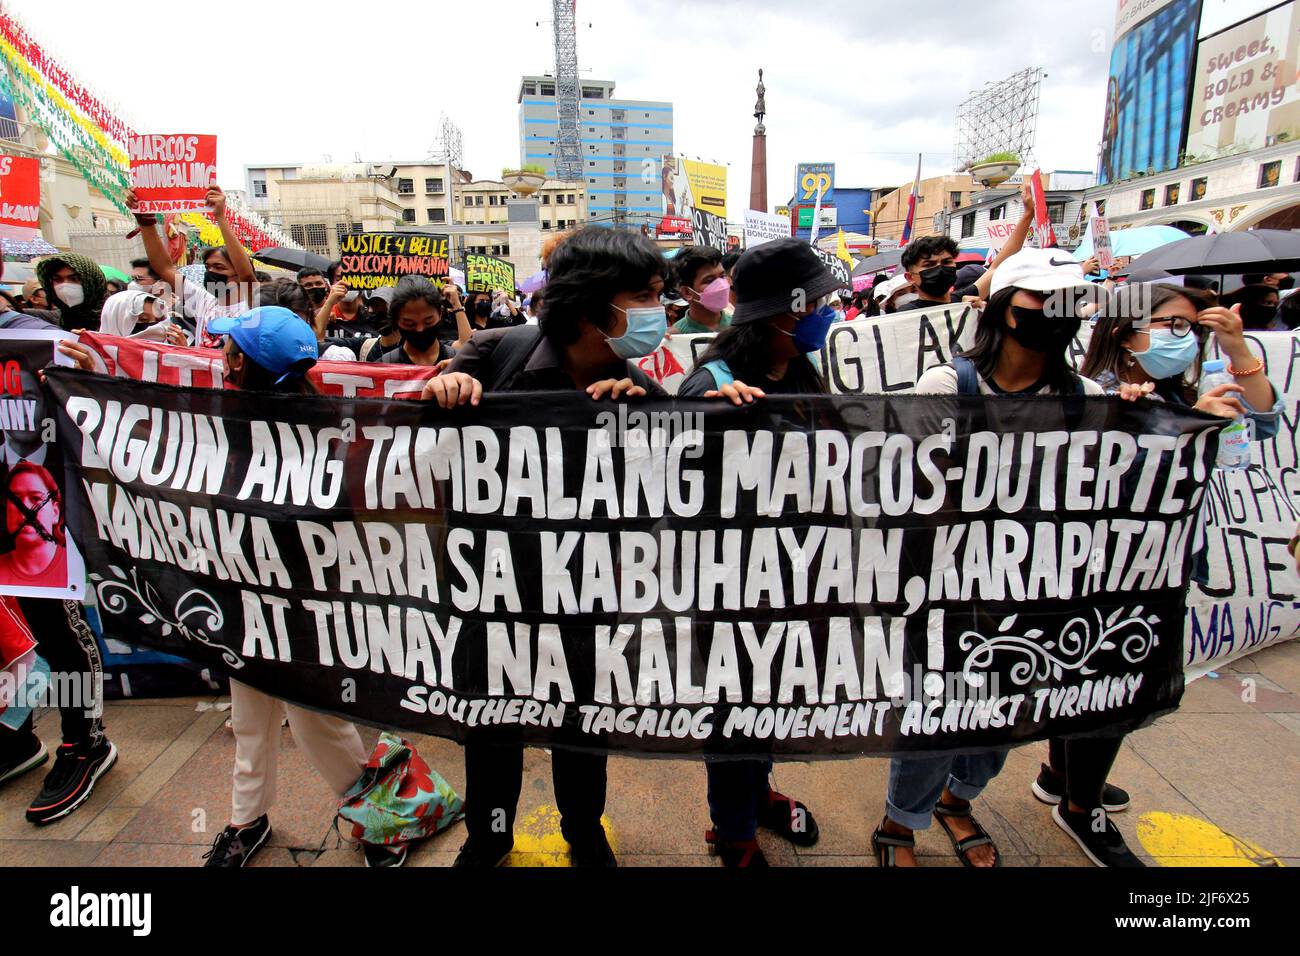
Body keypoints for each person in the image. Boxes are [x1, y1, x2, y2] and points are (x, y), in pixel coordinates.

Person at [424, 226, 671, 868]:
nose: (659, 310)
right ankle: (490, 836)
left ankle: (584, 830)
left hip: (589, 594)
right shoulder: (493, 352)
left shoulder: (641, 390)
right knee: (491, 724)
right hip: (492, 590)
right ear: (592, 306)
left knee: (584, 723)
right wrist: (442, 389)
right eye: (645, 295)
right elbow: (417, 434)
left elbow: (695, 476)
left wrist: (648, 418)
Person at [872, 249, 1107, 869]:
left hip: (1039, 585)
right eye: (1042, 300)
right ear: (1005, 310)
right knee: (934, 710)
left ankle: (958, 801)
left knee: (1005, 712)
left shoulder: (1086, 395)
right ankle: (901, 821)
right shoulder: (949, 386)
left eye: (1069, 300)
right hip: (950, 586)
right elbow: (913, 485)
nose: (1058, 313)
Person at [1067, 281, 1281, 866]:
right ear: (1124, 330)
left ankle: (1064, 776)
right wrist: (1171, 422)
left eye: (1192, 327)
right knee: (1106, 687)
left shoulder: (1194, 385)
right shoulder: (1097, 391)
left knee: (1108, 684)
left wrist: (1237, 350)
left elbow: (1262, 419)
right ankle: (1081, 807)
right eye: (1170, 325)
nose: (1182, 338)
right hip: (1104, 568)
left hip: (1167, 563)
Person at [677, 238, 841, 866]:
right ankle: (734, 832)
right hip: (727, 591)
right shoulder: (710, 383)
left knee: (768, 701)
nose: (830, 311)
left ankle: (757, 793)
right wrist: (702, 422)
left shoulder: (800, 371)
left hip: (793, 577)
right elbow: (662, 473)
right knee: (732, 712)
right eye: (820, 302)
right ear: (785, 313)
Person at [197, 306, 372, 867]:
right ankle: (246, 820)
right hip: (245, 595)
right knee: (250, 719)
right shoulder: (232, 412)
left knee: (314, 718)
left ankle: (380, 815)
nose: (222, 358)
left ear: (250, 365)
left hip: (303, 602)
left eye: (232, 352)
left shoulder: (317, 431)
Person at [128, 185, 258, 346]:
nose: (210, 272)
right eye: (208, 267)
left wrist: (220, 217)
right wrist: (145, 221)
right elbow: (164, 268)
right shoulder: (204, 302)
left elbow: (247, 275)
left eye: (219, 267)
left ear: (238, 273)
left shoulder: (252, 305)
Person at [895, 184, 1036, 312]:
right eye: (929, 265)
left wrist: (1028, 215)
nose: (940, 268)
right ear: (910, 277)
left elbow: (997, 267)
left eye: (946, 262)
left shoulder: (963, 302)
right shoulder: (905, 314)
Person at [0, 462, 67, 590]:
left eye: (35, 498)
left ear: (55, 512)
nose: (25, 508)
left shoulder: (72, 567)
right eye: (16, 499)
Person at [378, 277, 466, 366]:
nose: (420, 329)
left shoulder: (460, 363)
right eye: (409, 324)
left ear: (440, 314)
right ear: (396, 320)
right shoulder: (382, 368)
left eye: (428, 322)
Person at [34, 253, 108, 331]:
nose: (65, 286)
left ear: (92, 281)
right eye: (57, 279)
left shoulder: (113, 313)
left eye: (75, 279)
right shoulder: (63, 319)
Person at [672, 245, 731, 334]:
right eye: (709, 280)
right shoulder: (675, 336)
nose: (721, 285)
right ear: (687, 292)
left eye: (722, 276)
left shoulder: (740, 327)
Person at [98, 289, 189, 346]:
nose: (155, 326)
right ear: (115, 321)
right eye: (143, 319)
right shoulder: (94, 363)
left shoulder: (170, 354)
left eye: (158, 320)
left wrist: (184, 355)